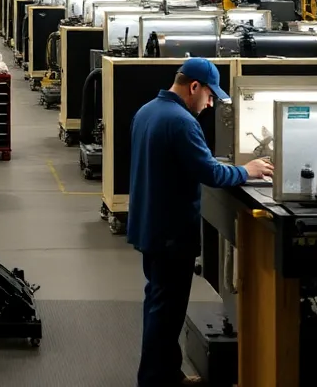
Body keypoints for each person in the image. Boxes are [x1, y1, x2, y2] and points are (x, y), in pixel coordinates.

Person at [127, 58, 273, 386]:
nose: (208, 105)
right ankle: (155, 380)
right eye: (209, 97)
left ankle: (166, 373)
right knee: (166, 311)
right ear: (194, 87)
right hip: (170, 232)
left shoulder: (147, 110)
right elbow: (210, 172)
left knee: (159, 305)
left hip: (149, 225)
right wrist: (247, 170)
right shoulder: (181, 121)